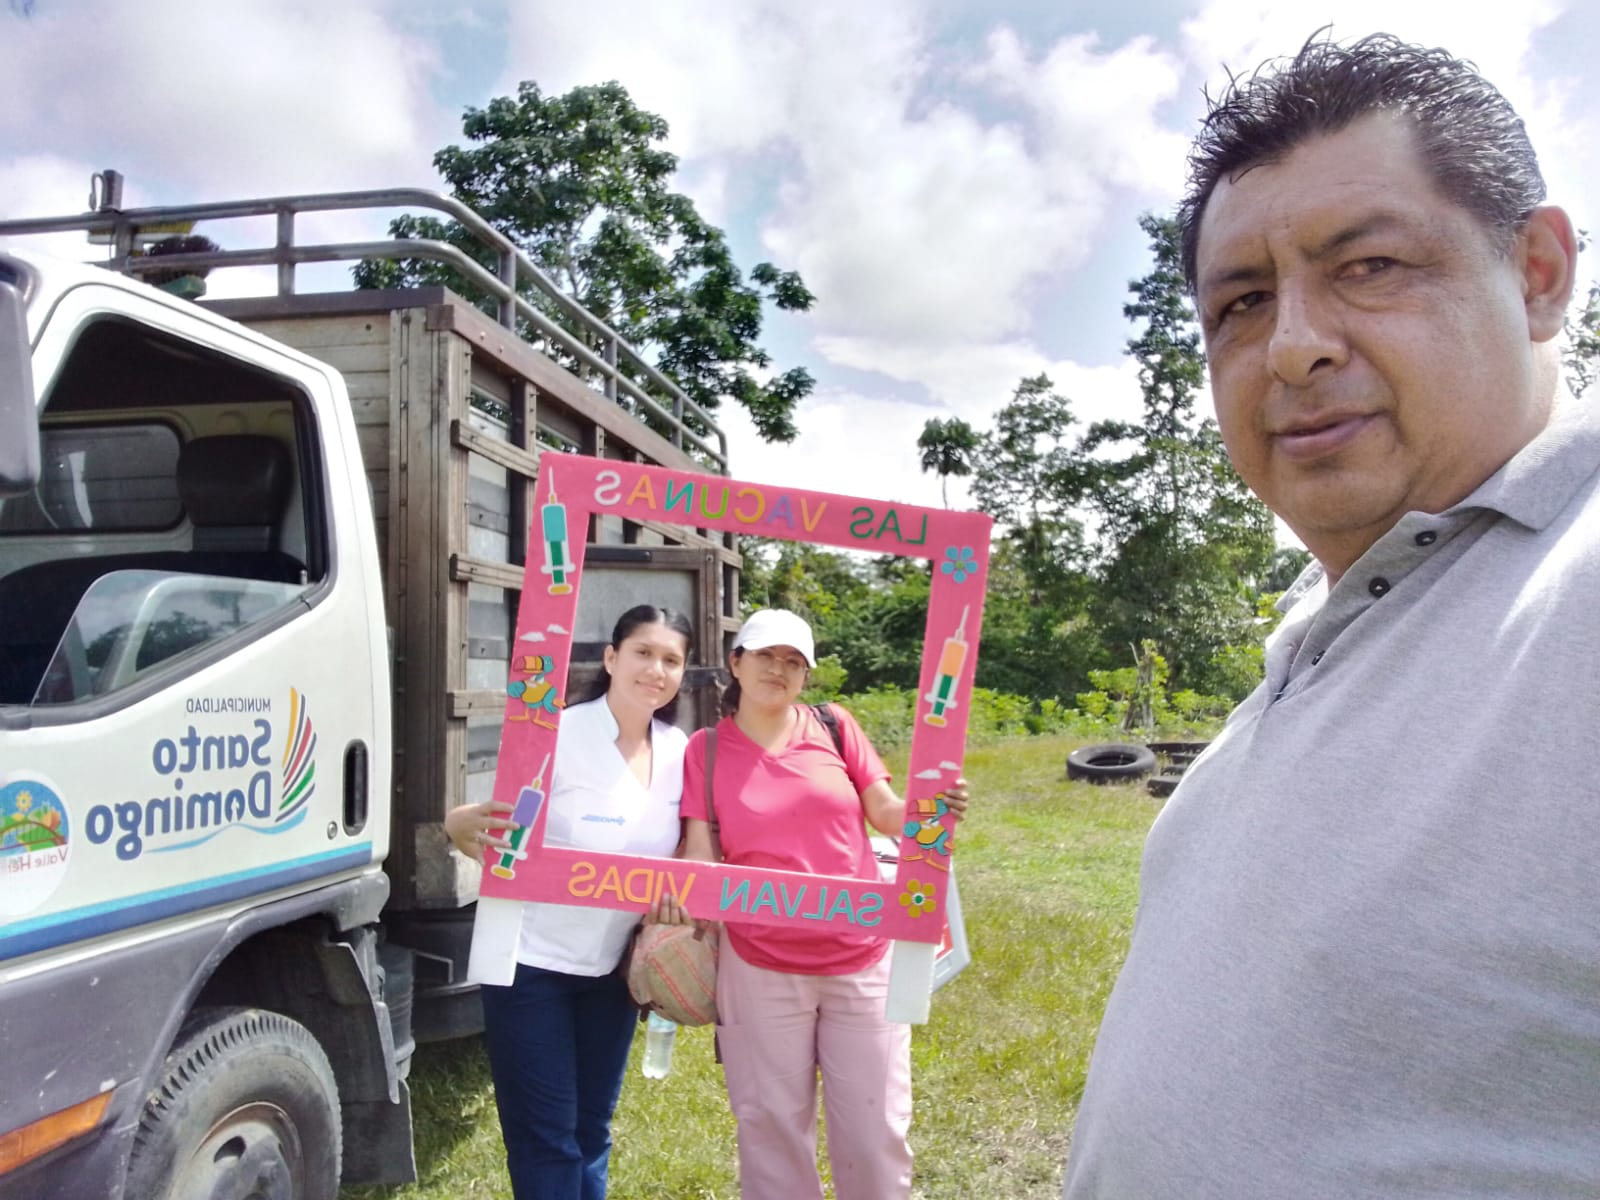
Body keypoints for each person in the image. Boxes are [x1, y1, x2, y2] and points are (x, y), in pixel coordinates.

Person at [1062, 31, 1600, 1200]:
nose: (1293, 348)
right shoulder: (1324, 627)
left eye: (1370, 265)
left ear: (1538, 274)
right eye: (1243, 302)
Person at [660, 608, 966, 1200]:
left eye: (794, 661)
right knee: (770, 1129)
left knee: (876, 1130)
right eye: (765, 655)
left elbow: (886, 812)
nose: (778, 669)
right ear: (735, 663)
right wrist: (679, 895)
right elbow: (700, 849)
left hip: (861, 954)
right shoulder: (707, 749)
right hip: (760, 963)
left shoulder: (834, 725)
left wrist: (932, 808)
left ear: (806, 675)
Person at [445, 603, 693, 1200]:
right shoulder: (554, 734)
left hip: (612, 971)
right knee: (546, 1139)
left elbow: (688, 851)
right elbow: (491, 823)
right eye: (643, 653)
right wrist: (459, 823)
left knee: (590, 1130)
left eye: (671, 659)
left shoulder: (678, 750)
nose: (655, 670)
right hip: (530, 966)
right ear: (610, 658)